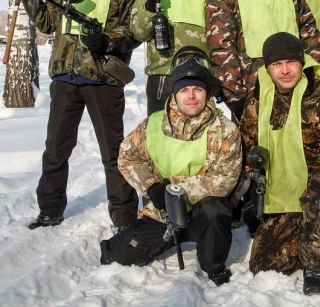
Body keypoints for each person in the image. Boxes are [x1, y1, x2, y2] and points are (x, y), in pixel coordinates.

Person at [16, 0, 141, 231]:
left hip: (102, 78)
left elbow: (137, 29)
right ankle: (50, 209)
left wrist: (108, 40)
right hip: (65, 77)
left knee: (113, 153)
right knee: (55, 150)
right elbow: (46, 22)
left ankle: (124, 216)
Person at [239, 32, 320, 295]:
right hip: (283, 192)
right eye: (277, 64)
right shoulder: (258, 99)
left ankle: (316, 265)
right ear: (267, 67)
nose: (285, 70)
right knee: (265, 267)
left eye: (291, 62)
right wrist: (247, 198)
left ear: (302, 62)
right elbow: (247, 147)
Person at [100, 46, 242, 286]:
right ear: (174, 93)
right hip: (162, 212)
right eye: (184, 89)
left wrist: (172, 189)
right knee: (116, 257)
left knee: (216, 212)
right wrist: (153, 186)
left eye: (198, 89)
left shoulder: (225, 129)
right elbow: (127, 156)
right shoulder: (153, 124)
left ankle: (213, 265)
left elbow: (224, 180)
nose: (191, 96)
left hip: (201, 212)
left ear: (207, 93)